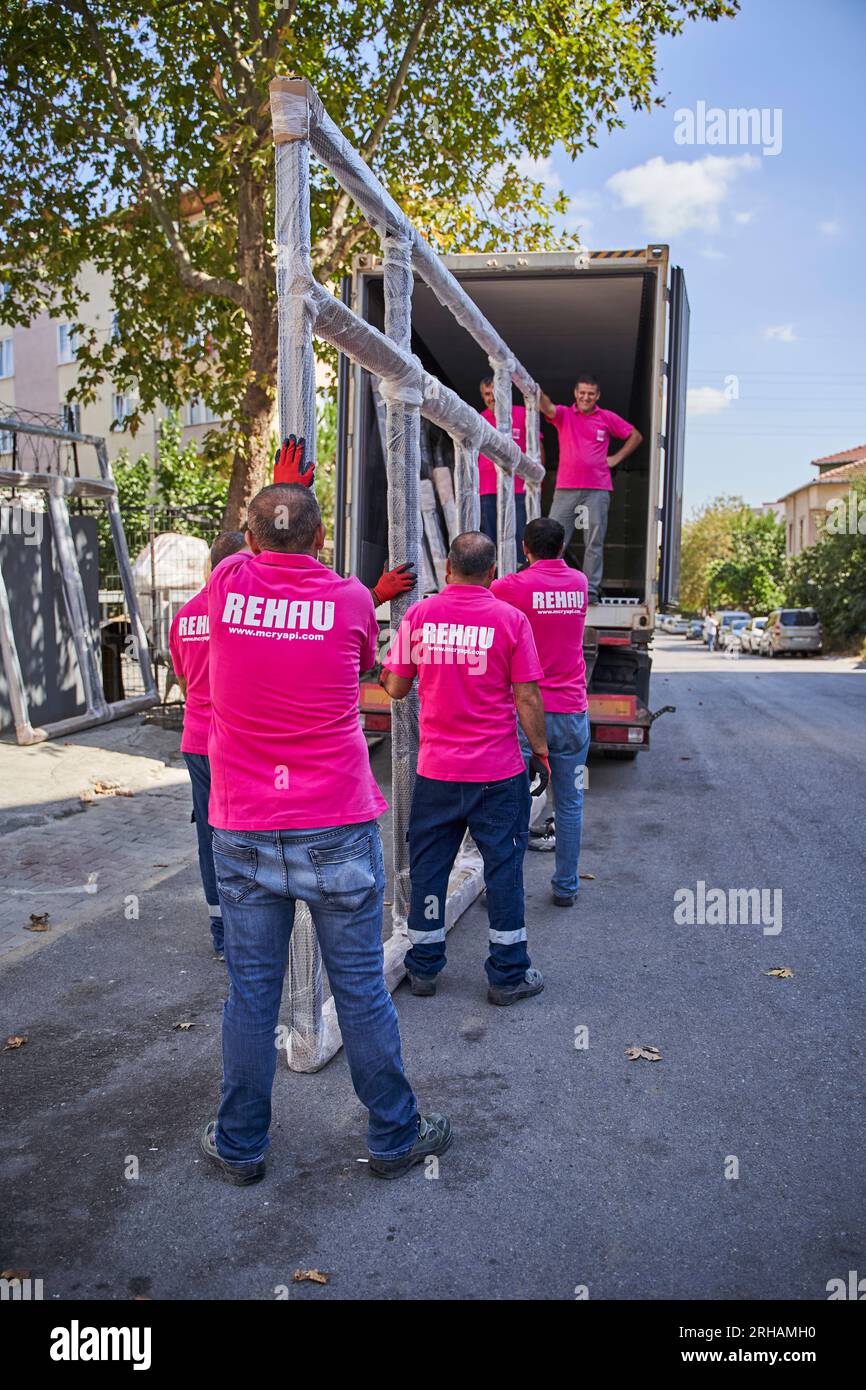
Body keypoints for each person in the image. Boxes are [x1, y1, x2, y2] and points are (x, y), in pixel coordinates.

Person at [200, 445, 450, 1185]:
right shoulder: (347, 601)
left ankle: (241, 1146)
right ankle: (394, 1137)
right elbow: (356, 637)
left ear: (249, 540)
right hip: (334, 823)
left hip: (243, 826)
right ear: (320, 542)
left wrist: (287, 490)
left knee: (251, 994)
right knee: (361, 987)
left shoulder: (223, 584)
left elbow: (261, 544)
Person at [381, 531, 550, 1005]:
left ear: (449, 568)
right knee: (503, 870)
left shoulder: (420, 615)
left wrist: (387, 670)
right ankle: (508, 974)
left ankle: (425, 968)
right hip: (497, 773)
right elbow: (527, 696)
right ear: (492, 573)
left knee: (430, 868)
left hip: (437, 772)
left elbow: (395, 687)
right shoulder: (511, 620)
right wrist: (541, 752)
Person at [491, 517, 590, 907]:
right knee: (570, 803)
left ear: (524, 548)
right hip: (571, 712)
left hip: (525, 712)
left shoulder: (511, 587)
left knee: (510, 804)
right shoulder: (579, 585)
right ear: (562, 549)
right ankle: (566, 886)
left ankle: (501, 887)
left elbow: (478, 592)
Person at [169, 530, 247, 960]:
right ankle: (247, 926)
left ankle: (221, 930)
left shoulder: (183, 616)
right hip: (232, 741)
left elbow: (184, 682)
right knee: (240, 831)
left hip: (197, 739)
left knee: (209, 834)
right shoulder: (237, 611)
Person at [539, 373, 642, 603]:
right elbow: (545, 407)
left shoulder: (606, 417)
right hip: (566, 488)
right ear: (575, 394)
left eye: (591, 394)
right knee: (553, 538)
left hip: (597, 488)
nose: (586, 397)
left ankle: (590, 589)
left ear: (597, 396)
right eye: (582, 393)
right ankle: (549, 584)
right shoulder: (565, 414)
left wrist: (615, 458)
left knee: (594, 540)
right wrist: (532, 385)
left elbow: (635, 436)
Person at [477, 375, 544, 556]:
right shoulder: (479, 419)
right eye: (487, 394)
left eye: (494, 393)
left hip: (519, 488)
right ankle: (495, 578)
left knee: (521, 536)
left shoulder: (522, 413)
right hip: (487, 489)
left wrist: (538, 482)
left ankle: (520, 576)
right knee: (490, 539)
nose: (491, 398)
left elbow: (537, 448)